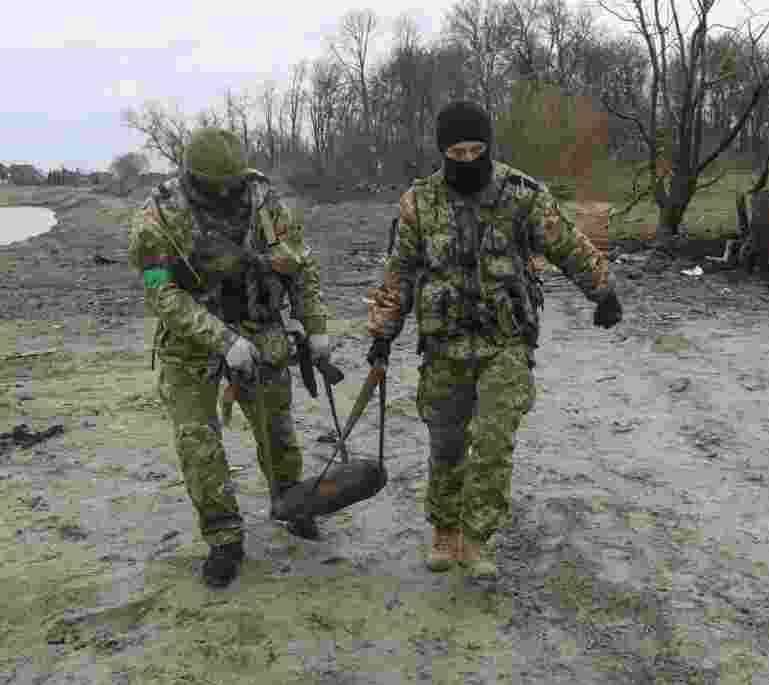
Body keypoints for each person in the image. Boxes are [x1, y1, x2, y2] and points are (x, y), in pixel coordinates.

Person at [365, 100, 623, 580]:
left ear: (488, 146)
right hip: (444, 345)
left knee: (493, 440)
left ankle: (477, 538)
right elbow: (399, 271)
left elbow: (566, 242)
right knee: (446, 443)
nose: (466, 159)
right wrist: (382, 332)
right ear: (443, 151)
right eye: (456, 151)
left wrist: (602, 290)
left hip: (506, 340)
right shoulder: (419, 202)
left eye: (475, 149)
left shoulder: (522, 194)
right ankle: (444, 531)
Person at [127, 127, 333, 588]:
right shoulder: (158, 215)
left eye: (232, 182)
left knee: (277, 431)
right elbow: (162, 294)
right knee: (198, 443)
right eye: (214, 184)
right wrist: (222, 341)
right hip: (190, 342)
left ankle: (291, 504)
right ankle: (224, 538)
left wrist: (315, 327)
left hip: (261, 328)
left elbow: (301, 265)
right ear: (192, 178)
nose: (225, 192)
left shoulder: (265, 200)